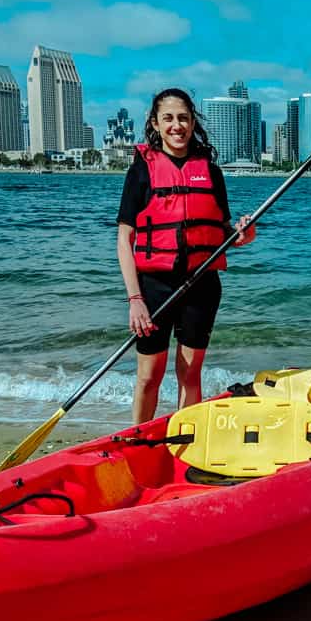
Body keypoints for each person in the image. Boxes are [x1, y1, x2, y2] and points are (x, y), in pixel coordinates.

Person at [117, 88, 255, 423]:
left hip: (202, 285)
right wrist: (135, 298)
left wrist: (243, 235)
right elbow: (125, 240)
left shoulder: (211, 171)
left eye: (183, 117)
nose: (176, 125)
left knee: (190, 375)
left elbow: (221, 232)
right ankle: (139, 443)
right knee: (149, 375)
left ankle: (185, 442)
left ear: (193, 122)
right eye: (168, 118)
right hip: (154, 288)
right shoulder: (141, 171)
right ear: (155, 123)